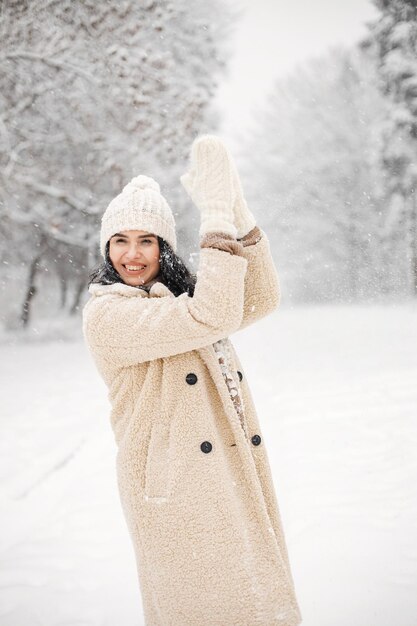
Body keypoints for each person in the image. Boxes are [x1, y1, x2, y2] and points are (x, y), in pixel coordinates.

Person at [82, 135, 302, 626]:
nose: (132, 255)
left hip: (225, 471)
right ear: (105, 247)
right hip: (175, 491)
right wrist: (215, 218)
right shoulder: (108, 316)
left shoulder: (173, 301)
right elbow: (215, 312)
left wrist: (238, 214)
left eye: (146, 240)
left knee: (251, 604)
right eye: (120, 240)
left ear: (164, 247)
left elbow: (258, 299)